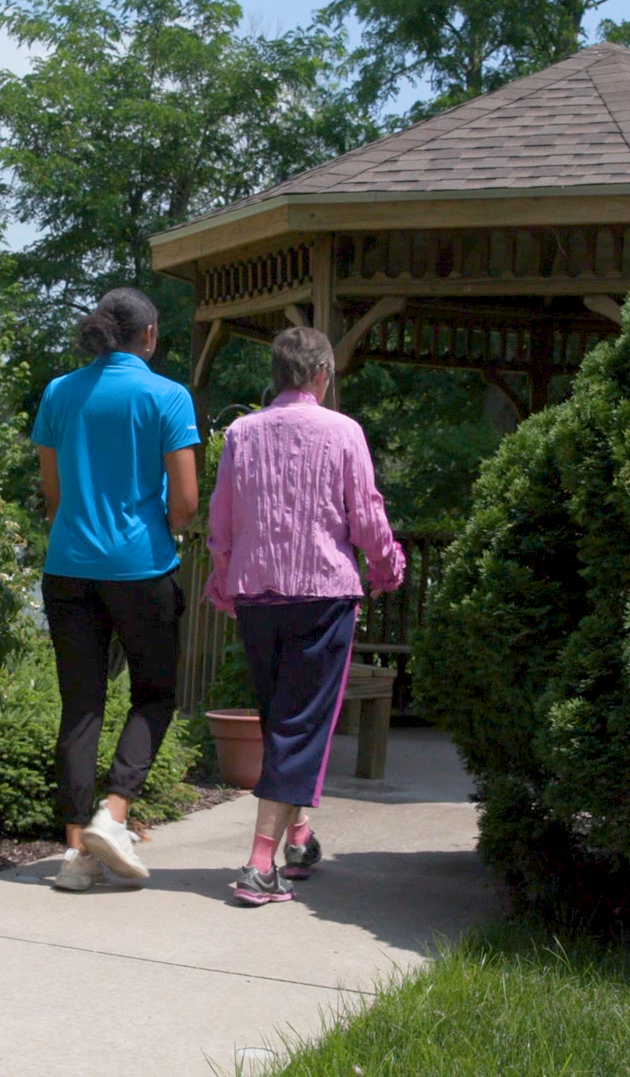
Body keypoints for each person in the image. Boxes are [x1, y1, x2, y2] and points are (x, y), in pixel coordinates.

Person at [203, 326, 405, 906]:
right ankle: (259, 865)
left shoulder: (241, 433)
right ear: (322, 374)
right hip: (322, 595)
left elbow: (223, 521)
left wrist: (223, 581)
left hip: (257, 595)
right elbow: (365, 515)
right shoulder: (344, 432)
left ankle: (298, 837)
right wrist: (387, 567)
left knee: (279, 717)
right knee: (300, 725)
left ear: (277, 373)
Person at [33, 287, 201, 892]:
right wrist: (158, 530)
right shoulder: (167, 396)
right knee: (155, 695)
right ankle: (116, 811)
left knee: (81, 705)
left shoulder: (60, 392)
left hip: (68, 568)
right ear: (149, 335)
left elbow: (53, 495)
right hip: (141, 570)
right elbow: (184, 503)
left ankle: (78, 855)